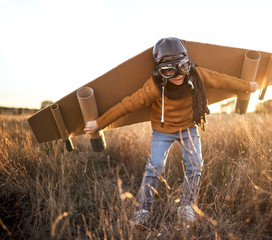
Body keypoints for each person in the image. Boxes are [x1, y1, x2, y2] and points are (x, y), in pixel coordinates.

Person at [84, 37, 257, 225]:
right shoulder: (154, 86)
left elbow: (221, 80)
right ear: (159, 70)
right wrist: (99, 124)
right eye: (169, 70)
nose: (177, 74)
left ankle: (186, 206)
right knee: (155, 166)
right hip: (163, 131)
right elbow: (127, 105)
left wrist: (247, 86)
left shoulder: (196, 75)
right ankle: (143, 208)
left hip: (189, 127)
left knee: (195, 164)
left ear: (188, 63)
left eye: (182, 66)